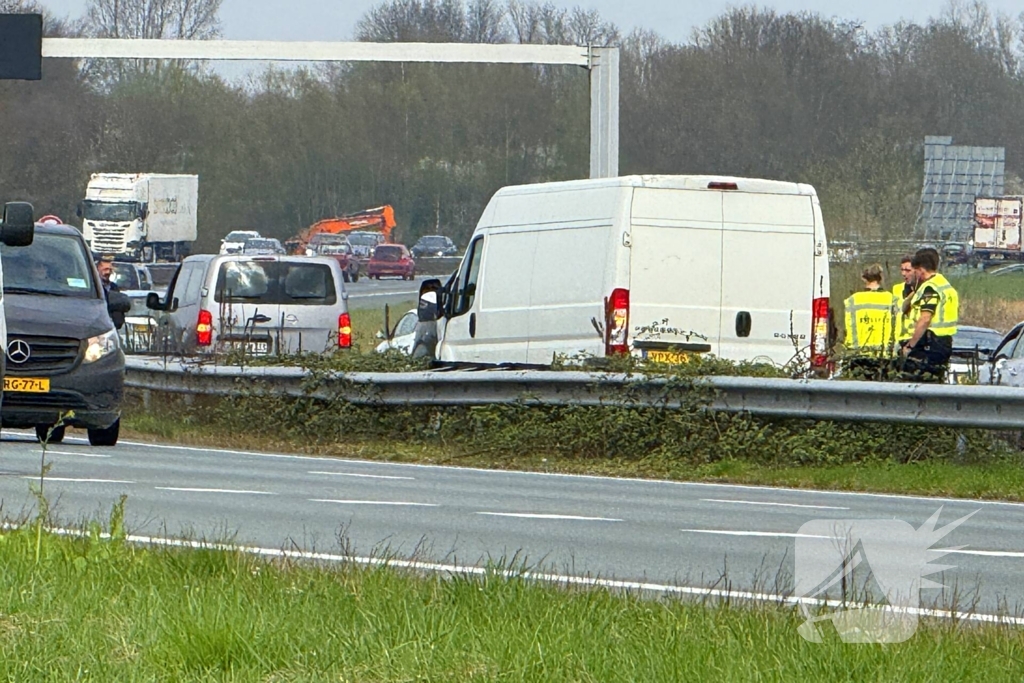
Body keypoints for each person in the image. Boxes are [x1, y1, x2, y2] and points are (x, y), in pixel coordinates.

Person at [900, 248, 959, 382]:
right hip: (944, 343)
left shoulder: (930, 287)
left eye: (914, 270)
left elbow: (925, 318)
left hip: (929, 344)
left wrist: (910, 346)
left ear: (921, 269)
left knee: (916, 382)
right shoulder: (944, 284)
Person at [843, 264, 898, 379]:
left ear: (863, 278)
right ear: (881, 278)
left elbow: (848, 328)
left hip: (858, 355)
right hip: (884, 356)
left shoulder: (852, 300)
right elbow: (897, 329)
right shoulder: (892, 300)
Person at [891, 256, 916, 352]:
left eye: (908, 270)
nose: (903, 273)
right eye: (902, 270)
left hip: (915, 340)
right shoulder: (896, 289)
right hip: (898, 341)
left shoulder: (924, 290)